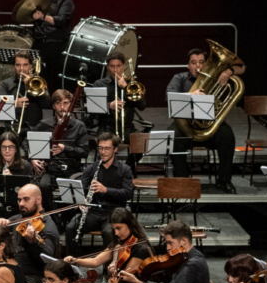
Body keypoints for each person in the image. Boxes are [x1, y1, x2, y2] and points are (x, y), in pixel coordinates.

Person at [165, 44, 242, 192]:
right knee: (173, 138)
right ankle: (183, 181)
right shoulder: (179, 78)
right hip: (185, 125)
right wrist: (190, 95)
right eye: (194, 62)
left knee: (227, 135)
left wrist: (229, 71)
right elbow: (168, 96)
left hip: (209, 125)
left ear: (206, 64)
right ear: (188, 65)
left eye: (201, 62)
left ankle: (224, 180)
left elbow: (242, 67)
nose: (198, 66)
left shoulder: (217, 77)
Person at [33, 88, 93, 208]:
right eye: (58, 103)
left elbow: (84, 152)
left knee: (75, 189)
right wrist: (33, 158)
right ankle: (53, 218)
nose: (62, 107)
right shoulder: (45, 124)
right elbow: (27, 143)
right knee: (43, 186)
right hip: (51, 169)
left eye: (65, 103)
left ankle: (65, 216)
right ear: (54, 106)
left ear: (71, 105)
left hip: (72, 170)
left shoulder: (79, 126)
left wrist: (64, 148)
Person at [79, 133, 134, 240]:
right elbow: (81, 188)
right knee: (71, 227)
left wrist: (106, 190)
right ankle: (73, 257)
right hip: (94, 212)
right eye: (100, 148)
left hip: (114, 212)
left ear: (115, 149)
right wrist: (82, 200)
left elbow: (128, 193)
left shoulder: (125, 169)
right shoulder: (91, 168)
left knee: (109, 232)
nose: (103, 152)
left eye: (107, 149)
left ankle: (107, 257)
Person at [26, 0, 75, 79]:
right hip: (39, 43)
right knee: (35, 77)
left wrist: (43, 17)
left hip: (56, 45)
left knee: (54, 79)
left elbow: (62, 20)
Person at [84, 51, 151, 136]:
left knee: (142, 144)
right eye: (112, 66)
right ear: (108, 67)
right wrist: (109, 105)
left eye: (118, 66)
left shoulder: (131, 84)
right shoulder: (99, 84)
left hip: (127, 128)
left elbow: (142, 106)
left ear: (123, 66)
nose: (115, 70)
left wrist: (126, 88)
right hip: (106, 129)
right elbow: (93, 110)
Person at [0, 50, 52, 132]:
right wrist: (13, 104)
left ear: (31, 66)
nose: (21, 69)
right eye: (18, 65)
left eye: (25, 65)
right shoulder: (5, 84)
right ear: (14, 66)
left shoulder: (38, 83)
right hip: (12, 128)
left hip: (34, 128)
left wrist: (32, 86)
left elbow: (46, 104)